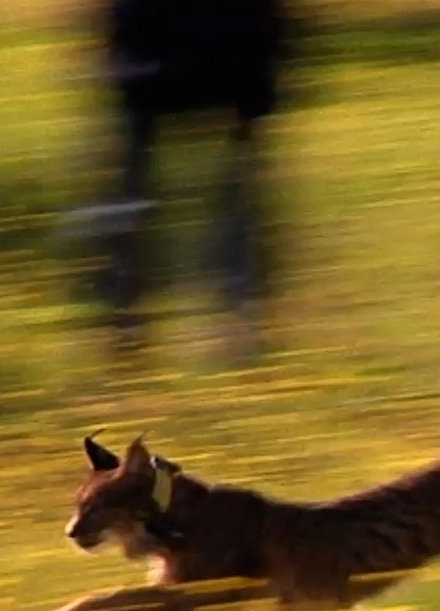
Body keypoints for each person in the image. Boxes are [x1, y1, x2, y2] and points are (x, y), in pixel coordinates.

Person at [81, 0, 289, 364]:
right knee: (236, 195)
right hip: (230, 62)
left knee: (133, 194)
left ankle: (124, 320)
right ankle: (241, 320)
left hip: (156, 61)